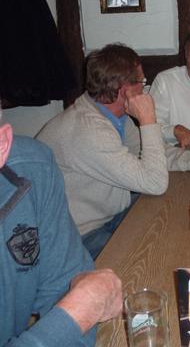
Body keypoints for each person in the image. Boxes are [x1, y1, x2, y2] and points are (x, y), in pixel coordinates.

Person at [37, 43, 190, 260]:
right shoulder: (89, 131)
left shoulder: (111, 116)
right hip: (76, 236)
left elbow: (147, 153)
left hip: (109, 215)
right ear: (125, 90)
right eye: (142, 82)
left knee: (175, 219)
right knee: (152, 257)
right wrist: (148, 119)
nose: (144, 89)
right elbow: (154, 182)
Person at [0, 105, 123, 346]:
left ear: (3, 145)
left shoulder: (33, 167)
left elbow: (67, 291)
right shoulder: (87, 127)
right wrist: (76, 315)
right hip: (91, 230)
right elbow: (154, 181)